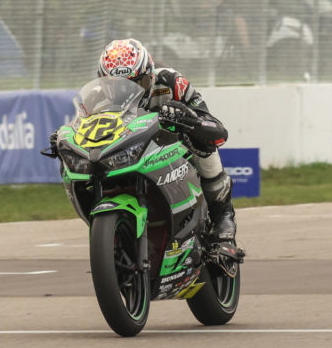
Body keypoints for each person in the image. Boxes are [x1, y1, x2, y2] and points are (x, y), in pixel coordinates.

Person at [96, 38, 237, 244]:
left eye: (135, 84)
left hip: (171, 148)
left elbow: (214, 127)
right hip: (127, 154)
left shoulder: (172, 82)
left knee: (205, 145)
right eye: (117, 87)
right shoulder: (97, 97)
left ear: (149, 74)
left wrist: (188, 117)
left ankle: (222, 215)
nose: (126, 92)